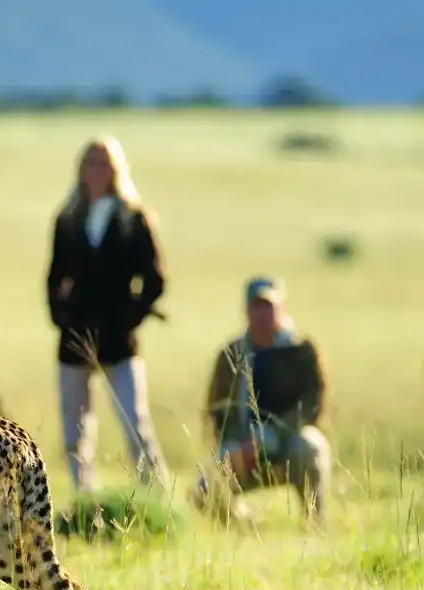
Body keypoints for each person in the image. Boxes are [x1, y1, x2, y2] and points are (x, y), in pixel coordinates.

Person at [46, 135, 169, 493]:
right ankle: (86, 501)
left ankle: (156, 498)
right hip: (75, 337)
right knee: (75, 428)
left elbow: (155, 278)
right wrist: (61, 316)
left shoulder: (133, 219)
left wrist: (130, 315)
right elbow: (54, 276)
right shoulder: (68, 219)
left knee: (135, 423)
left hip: (119, 339)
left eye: (105, 164)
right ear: (81, 170)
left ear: (116, 171)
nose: (98, 171)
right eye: (92, 163)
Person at [190, 276, 331, 523]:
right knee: (203, 489)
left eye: (269, 306)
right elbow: (217, 410)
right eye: (257, 307)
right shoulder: (230, 355)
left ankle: (315, 524)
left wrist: (270, 438)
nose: (262, 314)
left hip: (289, 445)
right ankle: (242, 527)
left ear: (282, 308)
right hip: (243, 452)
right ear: (246, 310)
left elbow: (314, 404)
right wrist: (232, 448)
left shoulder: (302, 351)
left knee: (312, 447)